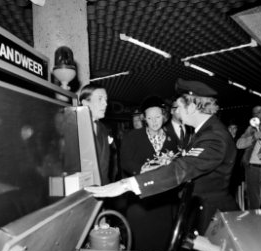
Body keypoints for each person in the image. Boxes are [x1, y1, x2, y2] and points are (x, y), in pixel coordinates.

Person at [86, 78, 239, 237]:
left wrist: (127, 184)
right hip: (202, 212)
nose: (176, 112)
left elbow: (184, 168)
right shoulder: (205, 132)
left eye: (179, 107)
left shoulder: (213, 136)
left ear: (192, 107)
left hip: (213, 217)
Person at [120, 95, 177, 251]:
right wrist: (140, 169)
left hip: (162, 200)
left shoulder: (172, 139)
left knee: (160, 244)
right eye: (150, 118)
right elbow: (125, 161)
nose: (154, 122)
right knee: (143, 245)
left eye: (158, 117)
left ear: (164, 117)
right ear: (144, 118)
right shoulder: (132, 137)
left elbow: (179, 167)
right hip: (140, 201)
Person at [236, 105, 261, 209]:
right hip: (252, 168)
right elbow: (239, 144)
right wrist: (253, 137)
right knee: (253, 201)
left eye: (259, 112)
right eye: (254, 113)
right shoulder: (252, 128)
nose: (256, 115)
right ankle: (254, 222)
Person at [79, 83, 111, 185]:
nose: (105, 103)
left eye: (106, 99)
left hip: (103, 187)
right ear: (85, 103)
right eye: (100, 99)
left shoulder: (102, 127)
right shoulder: (74, 126)